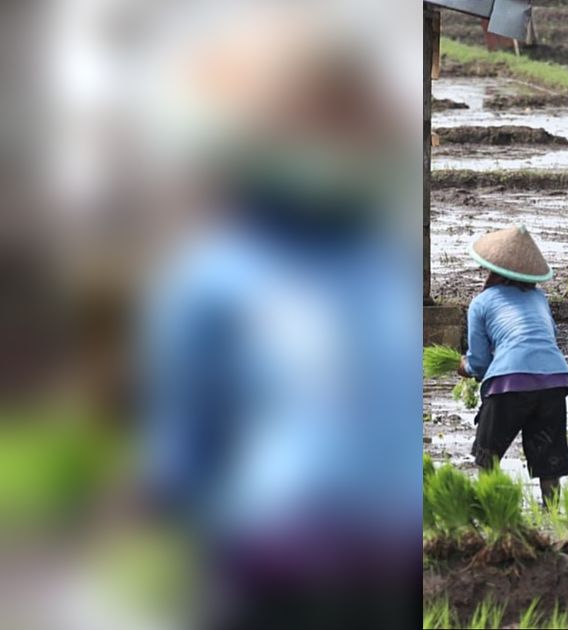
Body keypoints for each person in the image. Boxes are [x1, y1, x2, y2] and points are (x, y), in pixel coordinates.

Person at [140, 8, 417, 629]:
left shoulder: (219, 274)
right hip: (340, 560)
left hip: (299, 556)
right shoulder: (373, 265)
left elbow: (183, 458)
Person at [457, 225, 568, 506]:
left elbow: (479, 362)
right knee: (549, 461)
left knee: (488, 458)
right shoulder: (538, 297)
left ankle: (489, 512)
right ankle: (554, 518)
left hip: (509, 382)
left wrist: (463, 367)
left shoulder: (481, 302)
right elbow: (546, 337)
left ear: (491, 269)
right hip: (554, 379)